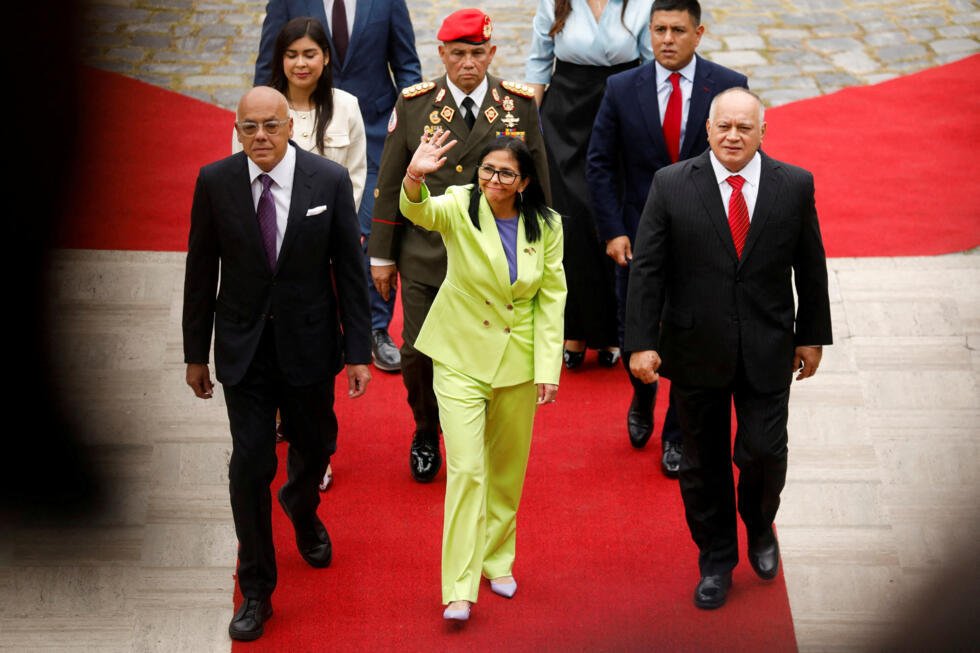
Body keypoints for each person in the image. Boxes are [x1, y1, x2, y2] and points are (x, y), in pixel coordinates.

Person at [625, 88, 832, 609]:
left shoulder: (794, 184)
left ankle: (759, 526)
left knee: (763, 451)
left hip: (768, 345)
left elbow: (810, 265)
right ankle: (716, 558)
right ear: (708, 129)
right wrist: (641, 342)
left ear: (763, 131)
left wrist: (811, 334)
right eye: (724, 126)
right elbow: (648, 269)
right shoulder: (671, 184)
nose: (733, 136)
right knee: (702, 463)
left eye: (744, 127)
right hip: (695, 347)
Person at [183, 86, 372, 641]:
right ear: (237, 130)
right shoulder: (215, 182)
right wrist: (195, 353)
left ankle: (301, 505)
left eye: (271, 125)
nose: (261, 136)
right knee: (250, 464)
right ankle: (257, 590)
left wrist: (358, 351)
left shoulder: (327, 181)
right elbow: (200, 272)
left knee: (315, 447)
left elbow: (349, 270)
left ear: (290, 126)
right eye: (250, 127)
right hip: (243, 350)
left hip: (309, 345)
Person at [368, 8, 551, 483]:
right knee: (416, 353)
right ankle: (426, 430)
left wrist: (542, 248)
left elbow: (539, 181)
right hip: (428, 254)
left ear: (491, 53)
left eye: (477, 53)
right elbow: (390, 181)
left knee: (486, 349)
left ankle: (477, 434)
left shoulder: (517, 105)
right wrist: (382, 255)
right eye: (457, 54)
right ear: (441, 54)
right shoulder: (415, 104)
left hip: (495, 258)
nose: (467, 63)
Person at [400, 130, 565, 622]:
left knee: (507, 472)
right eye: (488, 170)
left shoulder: (547, 224)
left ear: (524, 181)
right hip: (459, 355)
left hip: (518, 359)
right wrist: (414, 177)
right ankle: (458, 587)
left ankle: (497, 560)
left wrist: (547, 366)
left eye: (506, 173)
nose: (494, 180)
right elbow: (420, 212)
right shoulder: (459, 203)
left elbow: (551, 297)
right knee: (468, 470)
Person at [587, 0, 747, 476]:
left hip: (704, 238)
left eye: (678, 30)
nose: (667, 39)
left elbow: (741, 160)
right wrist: (613, 230)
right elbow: (599, 163)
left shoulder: (729, 86)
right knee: (633, 326)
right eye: (659, 30)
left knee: (691, 337)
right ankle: (642, 395)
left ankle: (677, 433)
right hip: (638, 235)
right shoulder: (621, 87)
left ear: (699, 33)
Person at [255, 0, 424, 373]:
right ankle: (312, 323)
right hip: (305, 128)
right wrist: (262, 123)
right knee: (303, 228)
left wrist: (412, 125)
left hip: (377, 132)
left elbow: (407, 64)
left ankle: (375, 328)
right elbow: (268, 64)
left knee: (375, 226)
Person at [240, 15, 369, 493]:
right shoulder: (261, 106)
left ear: (326, 58)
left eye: (310, 54)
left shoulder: (347, 107)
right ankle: (280, 420)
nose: (301, 63)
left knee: (315, 349)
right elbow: (241, 175)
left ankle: (315, 446)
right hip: (271, 252)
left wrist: (329, 232)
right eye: (291, 54)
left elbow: (356, 175)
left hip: (323, 248)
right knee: (271, 340)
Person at [525, 0, 653, 371]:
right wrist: (530, 128)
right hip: (566, 116)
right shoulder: (555, 2)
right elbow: (538, 63)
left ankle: (613, 330)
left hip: (621, 108)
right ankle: (574, 329)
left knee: (610, 216)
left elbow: (650, 63)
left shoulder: (643, 3)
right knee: (571, 224)